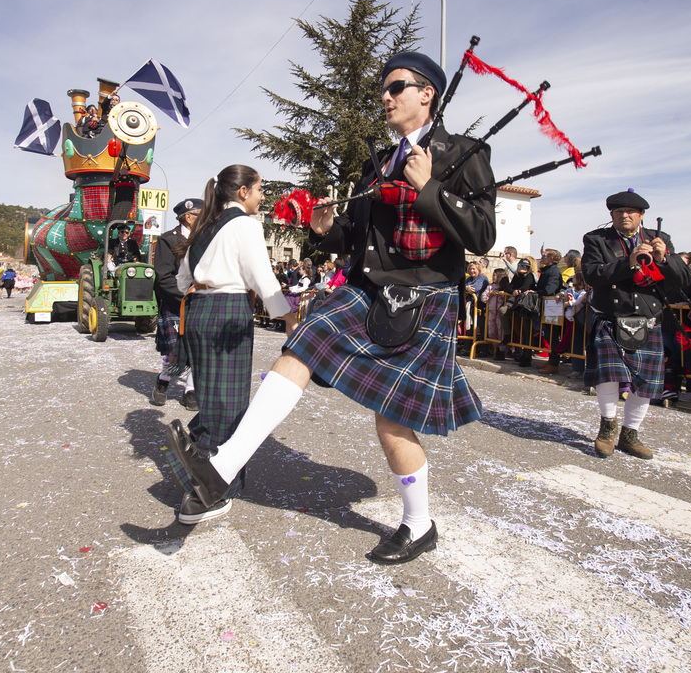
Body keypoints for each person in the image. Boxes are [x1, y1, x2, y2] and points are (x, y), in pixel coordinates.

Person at [166, 51, 497, 564]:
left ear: (426, 93)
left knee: (391, 422)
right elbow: (359, 235)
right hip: (366, 291)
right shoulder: (377, 162)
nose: (385, 98)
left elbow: (481, 232)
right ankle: (223, 468)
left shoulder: (466, 152)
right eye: (383, 90)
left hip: (424, 296)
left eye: (396, 87)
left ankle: (419, 522)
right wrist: (326, 227)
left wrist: (428, 187)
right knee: (299, 346)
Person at [164, 166, 294, 524]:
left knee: (210, 396)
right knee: (230, 402)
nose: (262, 196)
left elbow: (181, 279)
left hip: (198, 310)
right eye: (259, 190)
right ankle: (217, 488)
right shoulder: (246, 226)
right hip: (228, 311)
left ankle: (198, 465)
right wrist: (287, 318)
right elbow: (262, 278)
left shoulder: (204, 226)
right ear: (242, 193)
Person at [582, 189, 690, 460]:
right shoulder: (597, 239)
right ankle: (607, 428)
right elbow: (593, 274)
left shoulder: (659, 238)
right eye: (619, 212)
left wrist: (665, 259)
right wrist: (627, 263)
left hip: (647, 318)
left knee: (646, 382)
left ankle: (630, 434)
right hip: (610, 316)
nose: (625, 215)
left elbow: (683, 279)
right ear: (612, 215)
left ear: (642, 215)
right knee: (609, 375)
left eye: (631, 212)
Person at [151, 198, 200, 409]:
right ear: (188, 217)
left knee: (198, 350)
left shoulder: (205, 240)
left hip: (200, 302)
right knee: (175, 354)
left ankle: (190, 391)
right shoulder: (168, 240)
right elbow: (163, 278)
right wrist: (185, 296)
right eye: (202, 215)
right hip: (175, 302)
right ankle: (163, 381)